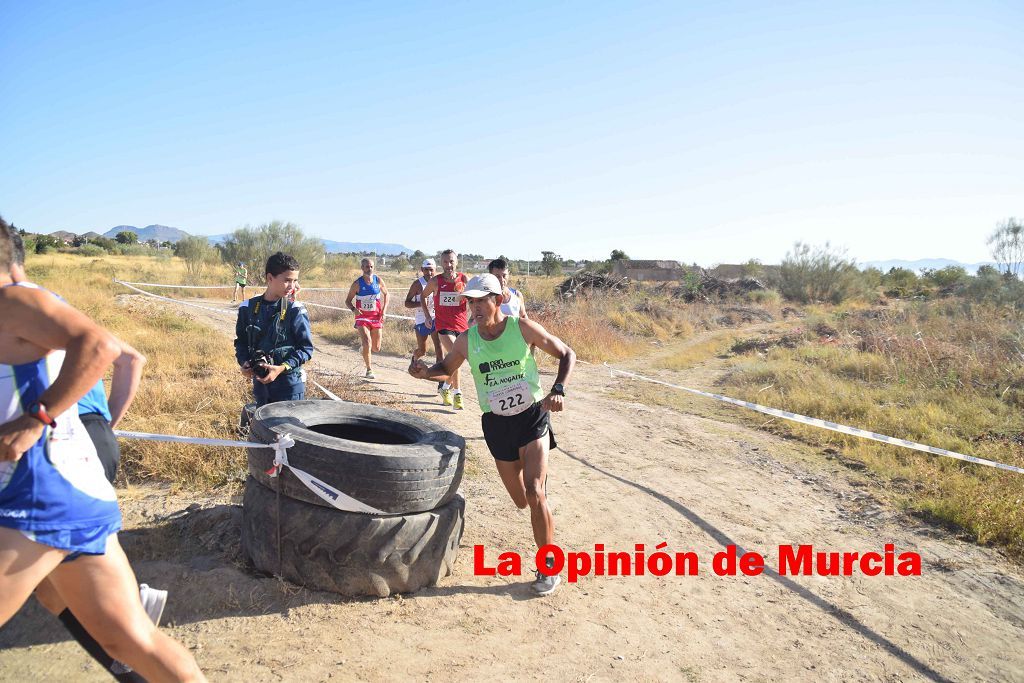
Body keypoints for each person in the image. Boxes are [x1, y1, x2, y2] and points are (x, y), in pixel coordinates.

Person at [0, 217, 206, 681]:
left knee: (132, 640)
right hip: (69, 492)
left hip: (38, 498)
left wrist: (35, 421)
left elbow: (101, 345)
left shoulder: (12, 299)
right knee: (131, 641)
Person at [409, 273, 575, 595]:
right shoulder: (466, 340)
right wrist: (424, 372)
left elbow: (567, 353)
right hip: (497, 425)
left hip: (532, 417)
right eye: (470, 302)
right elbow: (446, 368)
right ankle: (536, 495)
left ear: (497, 300)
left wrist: (558, 390)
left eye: (480, 301)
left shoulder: (521, 329)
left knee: (534, 491)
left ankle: (548, 567)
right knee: (519, 501)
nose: (474, 308)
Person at [234, 252, 313, 406]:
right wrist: (244, 363)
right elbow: (241, 342)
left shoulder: (295, 310)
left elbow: (306, 349)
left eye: (295, 280)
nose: (292, 286)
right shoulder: (247, 308)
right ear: (270, 278)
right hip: (261, 387)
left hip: (290, 388)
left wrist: (281, 368)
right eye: (287, 280)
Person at [420, 249, 469, 409]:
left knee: (456, 360)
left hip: (462, 326)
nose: (449, 265)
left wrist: (475, 315)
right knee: (456, 353)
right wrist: (427, 316)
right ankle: (458, 394)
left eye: (452, 261)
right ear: (441, 263)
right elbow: (423, 296)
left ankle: (445, 387)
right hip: (443, 326)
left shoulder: (464, 279)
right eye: (446, 262)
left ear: (456, 262)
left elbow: (474, 297)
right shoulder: (436, 281)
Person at [345, 258, 389, 379]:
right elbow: (347, 301)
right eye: (366, 267)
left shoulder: (378, 280)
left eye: (371, 267)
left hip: (376, 317)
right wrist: (354, 309)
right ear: (362, 268)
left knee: (376, 348)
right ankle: (369, 370)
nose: (369, 269)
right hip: (362, 317)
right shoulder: (357, 284)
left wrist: (384, 311)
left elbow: (387, 294)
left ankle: (363, 349)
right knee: (367, 342)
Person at [404, 258, 443, 392]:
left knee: (439, 348)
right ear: (422, 270)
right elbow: (407, 303)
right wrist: (421, 303)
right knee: (422, 351)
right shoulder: (417, 284)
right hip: (421, 320)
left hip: (435, 319)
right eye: (426, 270)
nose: (429, 272)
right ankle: (414, 357)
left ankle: (441, 382)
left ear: (435, 270)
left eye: (431, 270)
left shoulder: (439, 282)